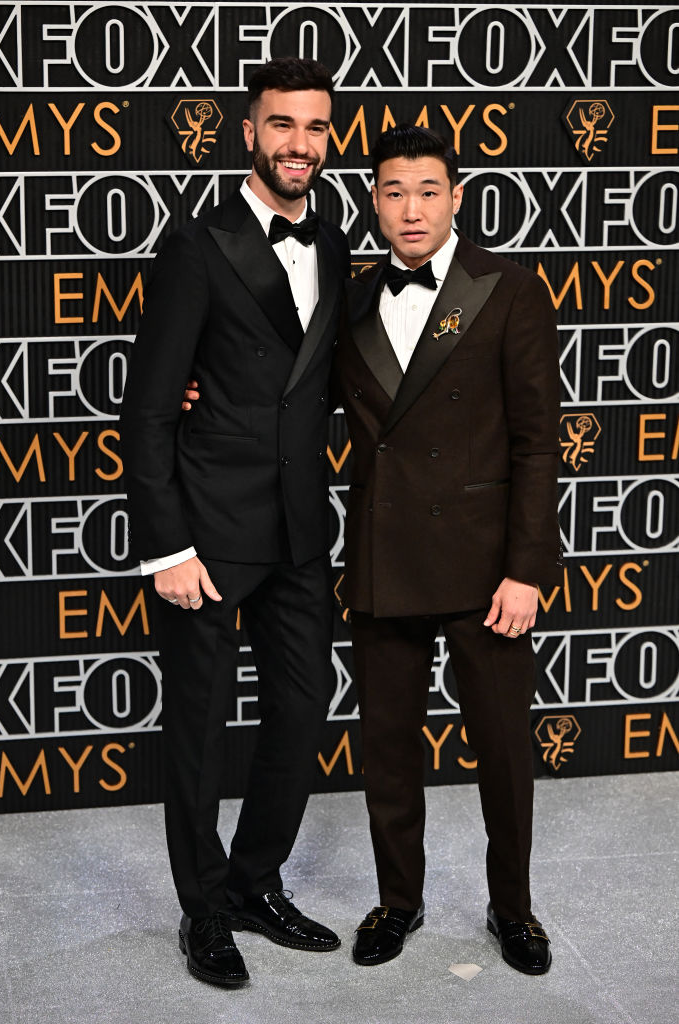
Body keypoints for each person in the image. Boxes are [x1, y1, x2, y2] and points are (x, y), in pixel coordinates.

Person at [120, 57, 350, 988]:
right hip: (207, 537)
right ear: (248, 132)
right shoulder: (198, 244)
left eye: (317, 128)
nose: (301, 144)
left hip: (298, 529)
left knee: (300, 709)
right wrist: (166, 545)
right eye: (282, 126)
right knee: (200, 730)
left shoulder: (332, 242)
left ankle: (257, 882)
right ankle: (204, 909)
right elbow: (146, 411)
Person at [333, 125, 562, 975]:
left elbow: (540, 440)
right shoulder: (349, 300)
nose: (410, 209)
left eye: (427, 190)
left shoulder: (505, 287)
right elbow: (287, 398)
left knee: (502, 752)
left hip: (483, 567)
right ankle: (397, 902)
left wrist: (527, 568)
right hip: (383, 555)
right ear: (373, 201)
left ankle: (514, 910)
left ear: (456, 197)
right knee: (387, 749)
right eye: (393, 191)